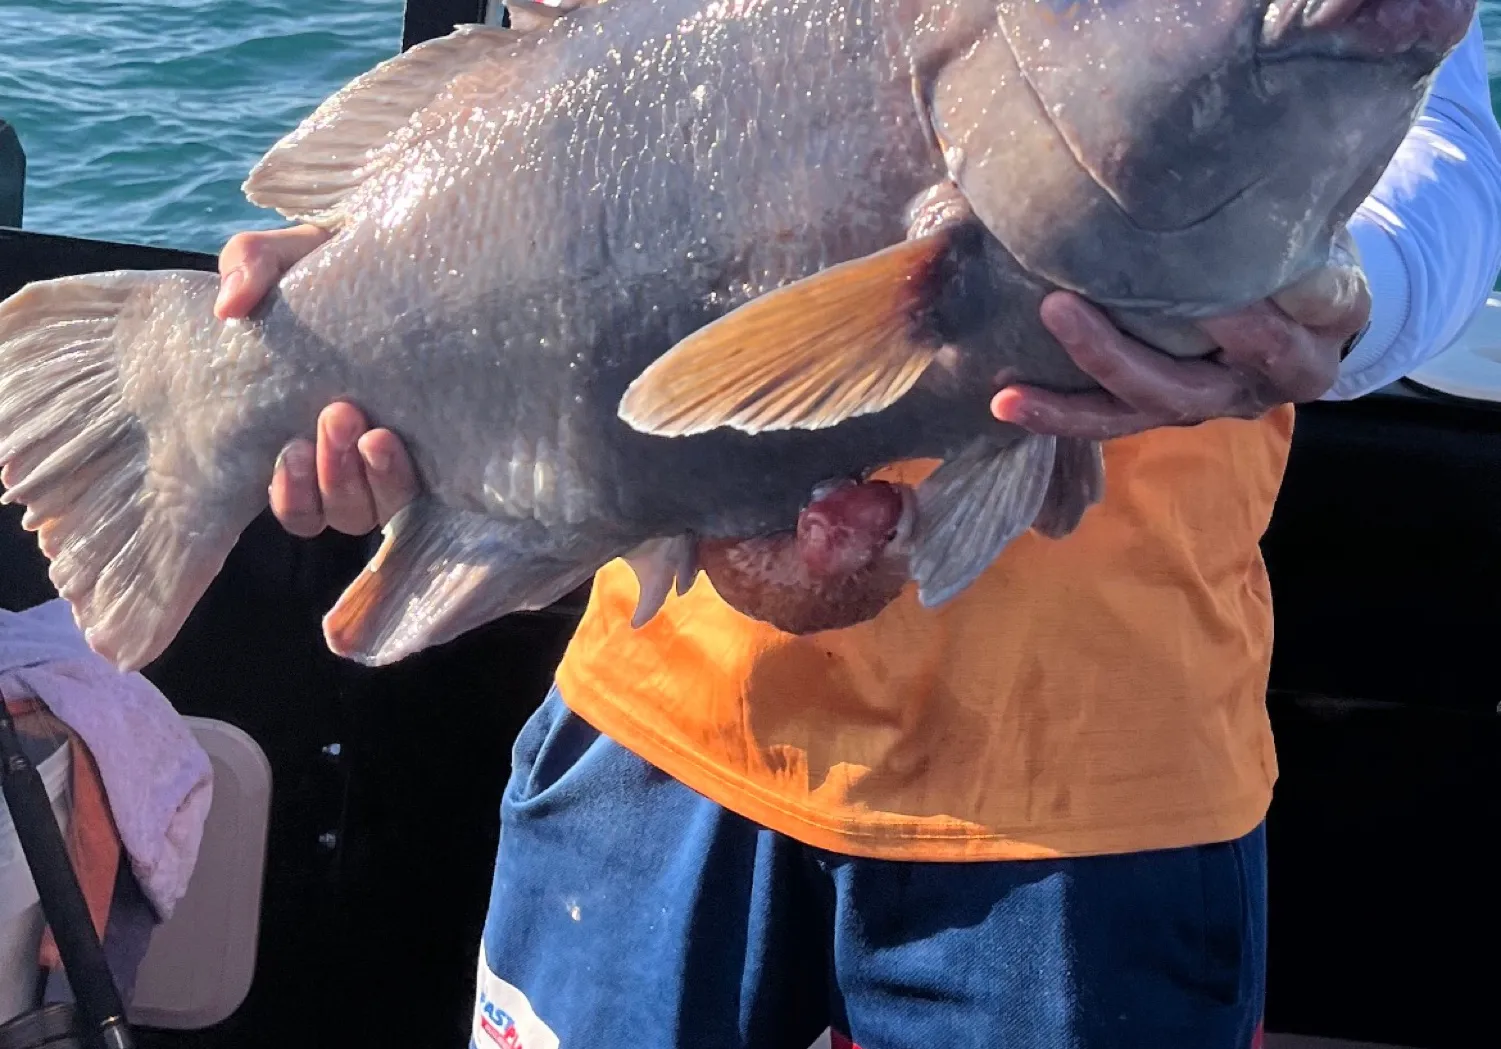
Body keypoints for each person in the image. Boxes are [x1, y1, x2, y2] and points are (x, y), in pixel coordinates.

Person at [214, 14, 1501, 1049]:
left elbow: (1435, 126)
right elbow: (563, 96)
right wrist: (362, 303)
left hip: (1091, 785)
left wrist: (1342, 298)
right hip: (665, 723)